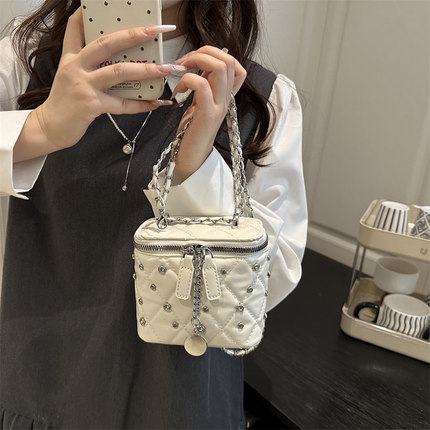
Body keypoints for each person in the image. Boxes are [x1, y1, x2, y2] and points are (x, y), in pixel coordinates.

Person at [0, 0, 307, 428]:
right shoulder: (26, 58)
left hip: (181, 401)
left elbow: (266, 286)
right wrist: (41, 128)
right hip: (43, 384)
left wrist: (197, 171)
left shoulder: (262, 97)